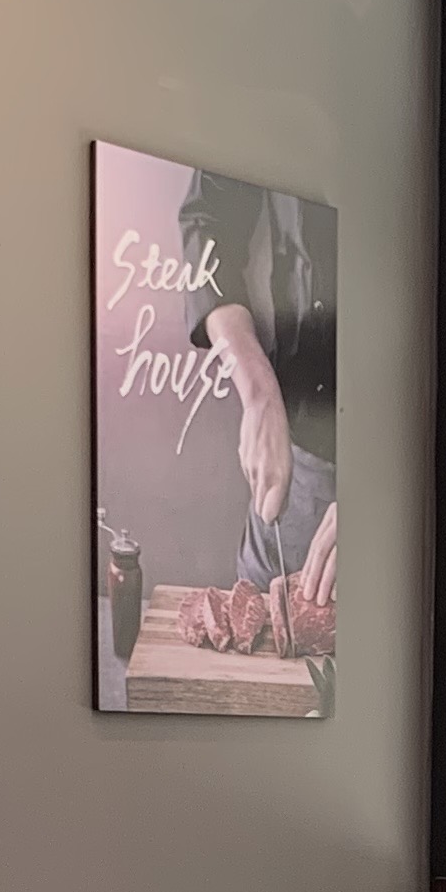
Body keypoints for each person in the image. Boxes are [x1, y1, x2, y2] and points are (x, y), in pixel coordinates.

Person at [178, 172, 336, 604]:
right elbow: (206, 223)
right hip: (293, 462)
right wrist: (258, 392)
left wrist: (385, 481)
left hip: (407, 475)